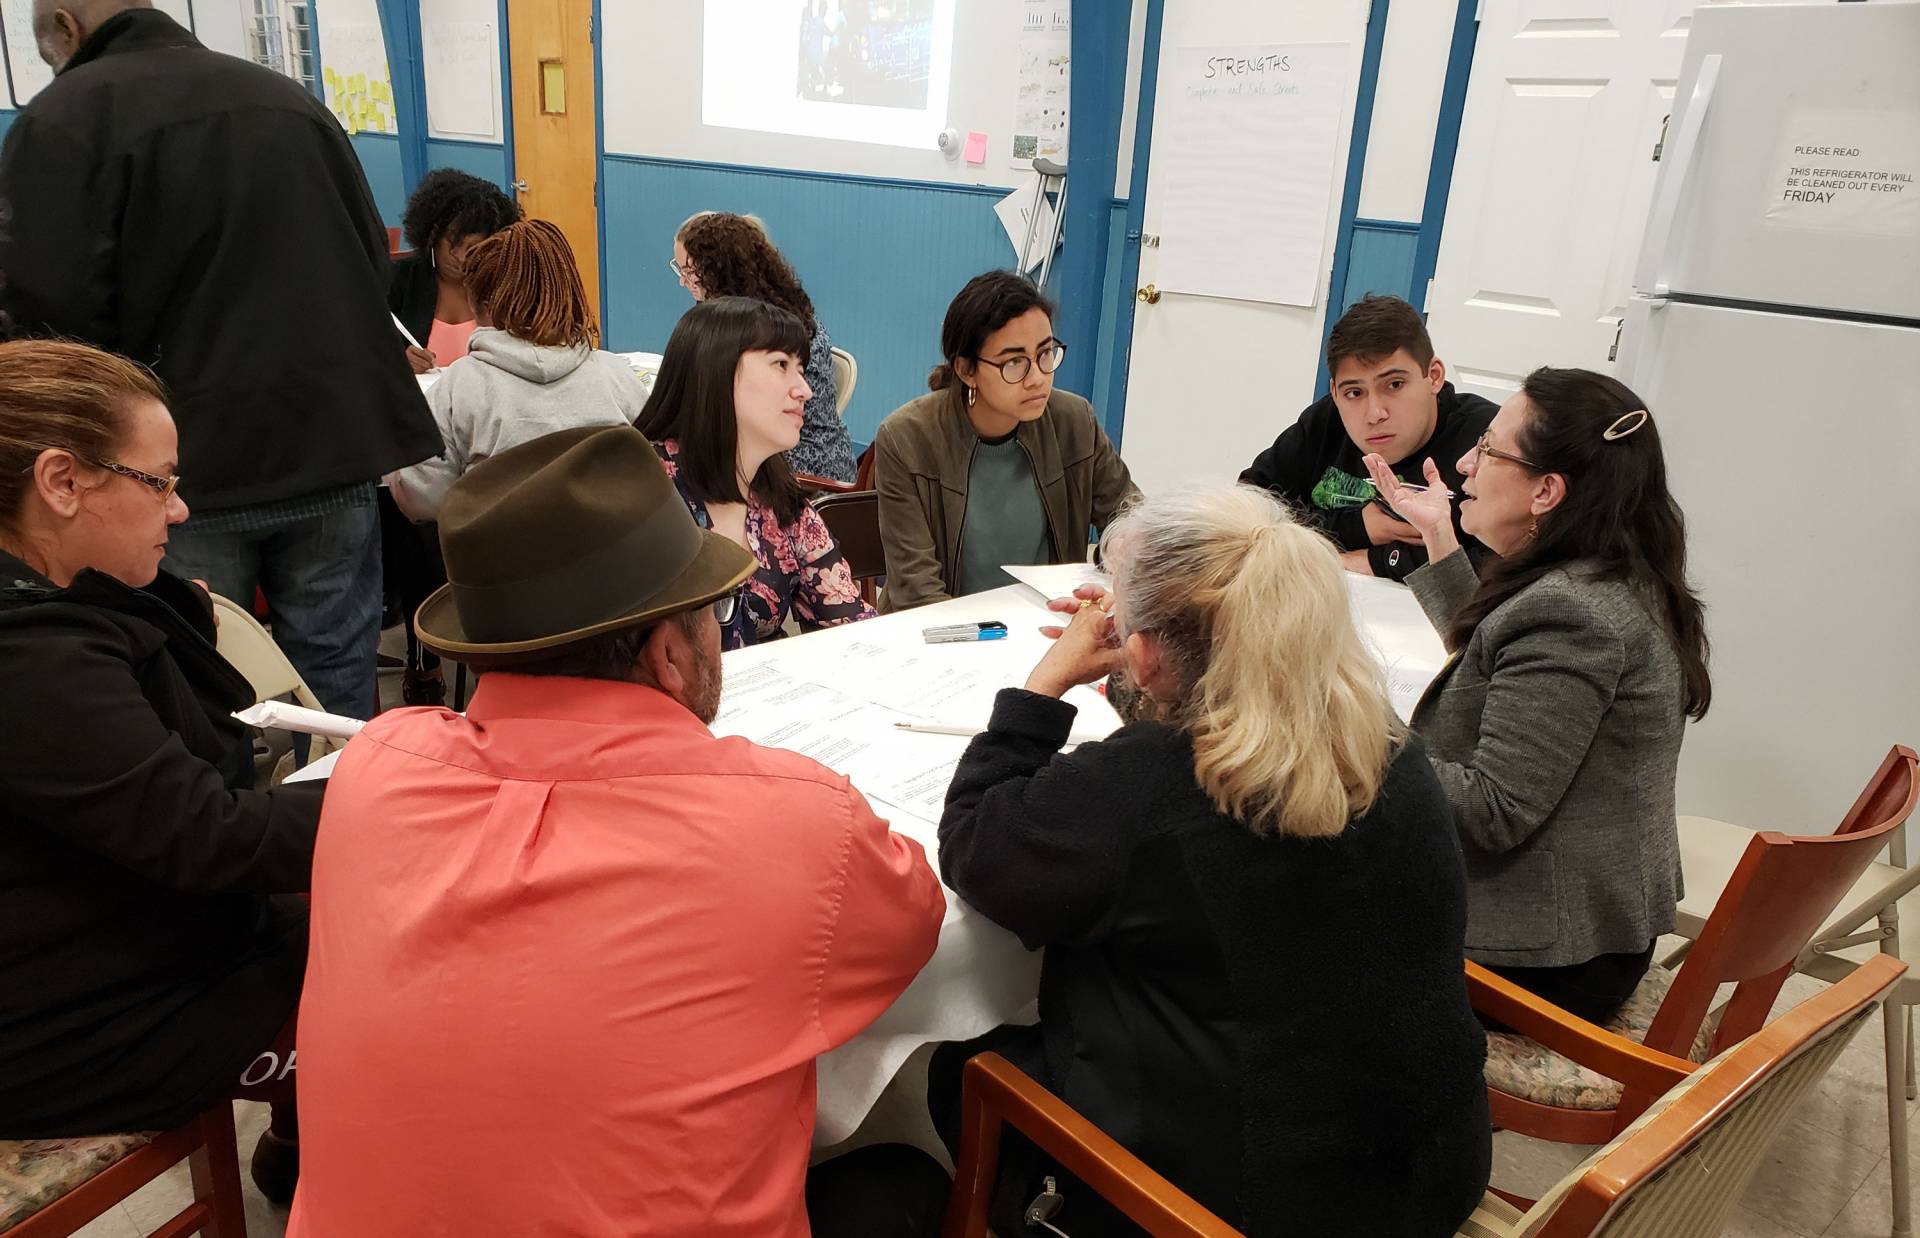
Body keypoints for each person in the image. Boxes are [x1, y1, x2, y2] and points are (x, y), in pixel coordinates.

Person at [289, 425, 946, 1237]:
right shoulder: (797, 820)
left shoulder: (371, 768)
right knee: (911, 1175)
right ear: (670, 652)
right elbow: (914, 924)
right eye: (716, 608)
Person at [930, 484, 1490, 1237]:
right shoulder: (1385, 740)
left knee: (956, 1068)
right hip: (1430, 1169)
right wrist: (1141, 681)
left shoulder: (1151, 783)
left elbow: (977, 846)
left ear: (1149, 652)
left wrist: (1044, 686)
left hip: (1249, 1210)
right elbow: (1226, 722)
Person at [0, 0, 440, 722]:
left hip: (176, 473)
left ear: (64, 27)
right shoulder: (290, 103)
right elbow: (371, 264)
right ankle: (340, 820)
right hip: (333, 447)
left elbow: (47, 339)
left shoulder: (65, 120)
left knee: (195, 681)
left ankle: (228, 821)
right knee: (336, 693)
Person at [0, 340, 318, 1195]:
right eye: (160, 482)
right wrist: (411, 793)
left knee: (352, 911)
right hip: (68, 1024)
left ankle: (306, 1149)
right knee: (410, 1000)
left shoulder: (60, 616)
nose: (178, 512)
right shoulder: (30, 662)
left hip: (103, 937)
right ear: (62, 482)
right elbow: (209, 836)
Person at [1364, 367, 1710, 1024]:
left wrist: (1353, 727)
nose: (1465, 464)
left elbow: (1494, 811)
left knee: (1280, 891)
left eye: (1489, 449)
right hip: (1589, 929)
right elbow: (1504, 653)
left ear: (1548, 490)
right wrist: (1440, 534)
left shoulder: (1574, 613)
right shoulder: (1605, 575)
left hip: (1543, 960)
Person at [874, 270, 1137, 611]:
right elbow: (917, 592)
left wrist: (1122, 545)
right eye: (1015, 362)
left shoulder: (1074, 422)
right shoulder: (906, 438)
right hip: (943, 636)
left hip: (1047, 625)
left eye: (1045, 354)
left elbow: (1129, 517)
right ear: (967, 370)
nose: (1037, 378)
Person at [636, 296, 875, 648]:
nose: (805, 390)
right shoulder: (645, 492)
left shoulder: (781, 501)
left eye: (801, 369)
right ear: (717, 368)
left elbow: (852, 626)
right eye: (780, 364)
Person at [386, 219, 648, 522]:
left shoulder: (458, 388)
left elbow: (423, 499)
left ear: (478, 302)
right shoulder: (617, 377)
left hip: (499, 562)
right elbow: (649, 474)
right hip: (611, 557)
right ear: (569, 292)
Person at [1241, 295, 1496, 582]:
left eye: (1395, 384)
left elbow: (1510, 561)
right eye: (1354, 393)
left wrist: (1381, 560)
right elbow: (1247, 511)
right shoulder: (1326, 422)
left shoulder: (1486, 440)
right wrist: (1356, 528)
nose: (1375, 413)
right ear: (1336, 392)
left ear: (1433, 376)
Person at [674, 210, 858, 482]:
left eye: (689, 271)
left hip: (802, 463)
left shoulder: (771, 329)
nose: (683, 281)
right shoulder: (755, 312)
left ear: (718, 270)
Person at [388, 167, 521, 374]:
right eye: (452, 241)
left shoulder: (508, 285)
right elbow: (364, 348)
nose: (459, 256)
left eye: (473, 247)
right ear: (432, 234)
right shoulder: (398, 281)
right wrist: (397, 360)